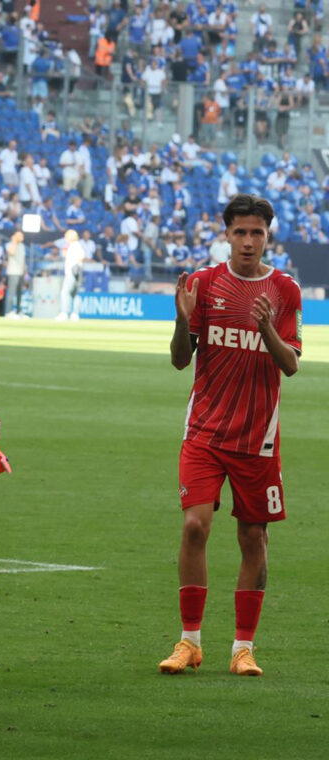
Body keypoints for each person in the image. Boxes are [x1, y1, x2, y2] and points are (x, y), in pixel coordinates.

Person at [161, 194, 302, 678]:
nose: (247, 241)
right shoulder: (204, 283)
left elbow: (290, 365)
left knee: (252, 537)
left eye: (256, 233)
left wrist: (266, 328)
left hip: (257, 439)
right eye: (239, 232)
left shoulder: (284, 289)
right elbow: (181, 359)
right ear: (226, 234)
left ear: (268, 236)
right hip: (204, 431)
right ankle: (189, 642)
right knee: (194, 526)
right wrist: (183, 319)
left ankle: (243, 648)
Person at [56, 229, 85, 321]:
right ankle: (75, 314)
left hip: (72, 272)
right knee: (75, 293)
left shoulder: (74, 245)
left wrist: (74, 264)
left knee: (65, 292)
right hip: (78, 271)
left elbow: (82, 256)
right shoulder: (77, 245)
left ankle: (64, 312)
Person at [4, 230, 25, 317]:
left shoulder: (22, 246)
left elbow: (23, 260)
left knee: (20, 293)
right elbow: (12, 252)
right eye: (19, 235)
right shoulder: (9, 244)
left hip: (20, 272)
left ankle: (19, 311)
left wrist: (25, 272)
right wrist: (14, 242)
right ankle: (8, 312)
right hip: (13, 272)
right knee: (11, 293)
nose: (21, 237)